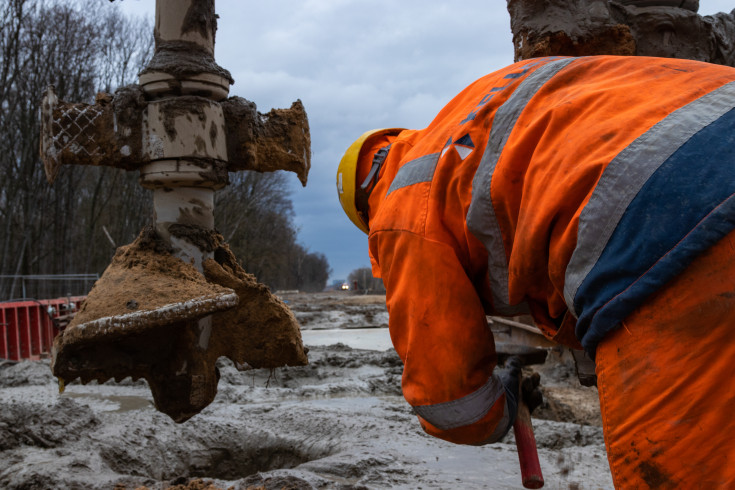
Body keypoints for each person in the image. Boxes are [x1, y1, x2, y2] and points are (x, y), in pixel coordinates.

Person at [336, 55, 735, 488]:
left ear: (365, 210)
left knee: (676, 470)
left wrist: (502, 404)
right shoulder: (467, 123)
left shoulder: (401, 209)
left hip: (679, 223)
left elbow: (451, 401)